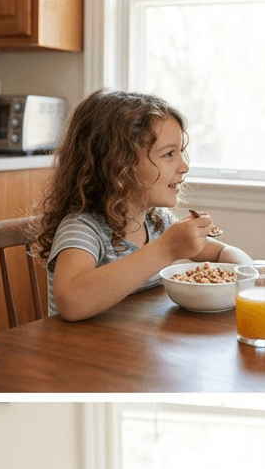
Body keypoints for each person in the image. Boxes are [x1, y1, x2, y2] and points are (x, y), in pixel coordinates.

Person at [32, 89, 252, 320]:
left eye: (180, 152)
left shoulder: (158, 223)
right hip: (79, 353)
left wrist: (248, 274)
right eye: (168, 154)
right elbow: (72, 302)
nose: (184, 166)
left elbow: (222, 253)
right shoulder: (83, 229)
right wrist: (165, 249)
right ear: (119, 165)